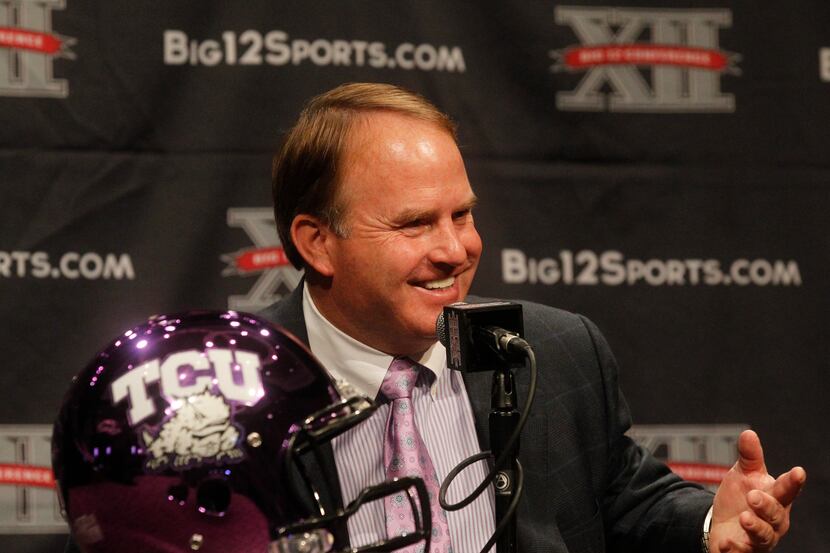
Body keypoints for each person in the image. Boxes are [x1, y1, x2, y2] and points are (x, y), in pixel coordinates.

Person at [262, 81, 806, 553]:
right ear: (318, 242)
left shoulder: (550, 348)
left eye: (462, 214)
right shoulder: (235, 391)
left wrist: (712, 525)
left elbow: (623, 501)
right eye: (415, 224)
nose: (456, 249)